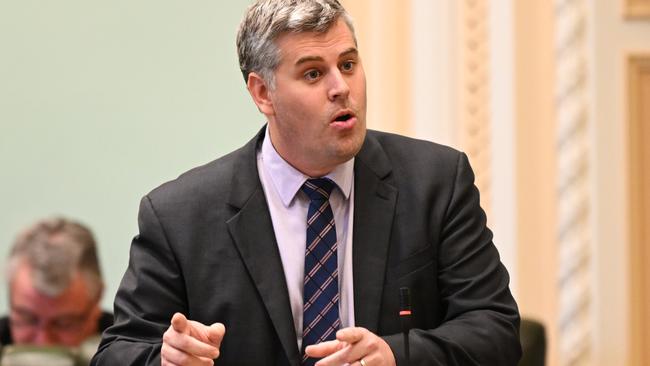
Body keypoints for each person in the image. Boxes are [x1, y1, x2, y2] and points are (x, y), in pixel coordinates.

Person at [92, 0, 521, 365]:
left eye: (348, 65)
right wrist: (165, 359)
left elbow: (496, 330)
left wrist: (396, 356)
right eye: (313, 74)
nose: (341, 88)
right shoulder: (179, 215)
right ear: (263, 94)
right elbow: (117, 350)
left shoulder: (435, 182)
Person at [0, 217, 112, 347]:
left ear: (97, 299)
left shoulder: (132, 355)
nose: (43, 343)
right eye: (27, 320)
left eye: (65, 324)